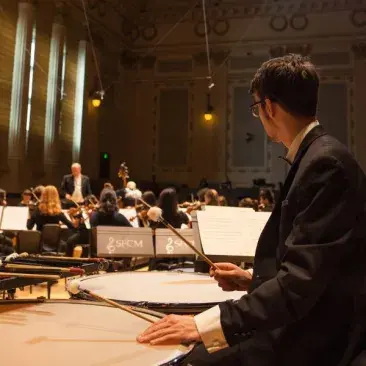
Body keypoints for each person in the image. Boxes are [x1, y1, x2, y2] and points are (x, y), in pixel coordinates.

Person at [137, 54, 366, 366]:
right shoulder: (319, 156)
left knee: (188, 358)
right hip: (310, 318)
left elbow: (301, 284)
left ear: (268, 107)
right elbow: (315, 267)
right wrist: (251, 279)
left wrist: (203, 325)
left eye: (257, 108)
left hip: (316, 337)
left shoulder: (325, 164)